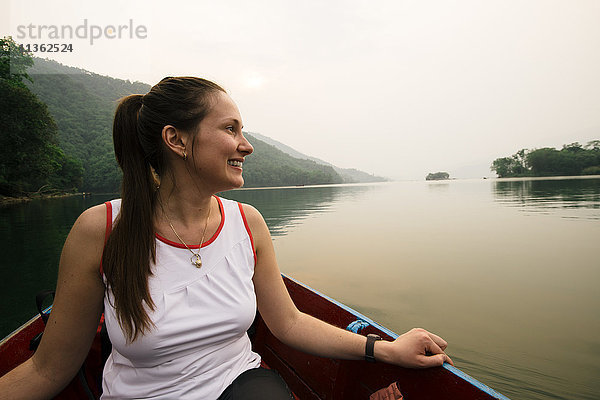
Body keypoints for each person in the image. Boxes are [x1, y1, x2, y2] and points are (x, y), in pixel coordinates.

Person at [0, 77, 453, 399]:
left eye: (243, 131)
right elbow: (48, 369)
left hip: (240, 384)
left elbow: (289, 323)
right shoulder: (100, 230)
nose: (246, 145)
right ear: (176, 140)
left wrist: (385, 349)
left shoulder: (248, 222)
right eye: (231, 129)